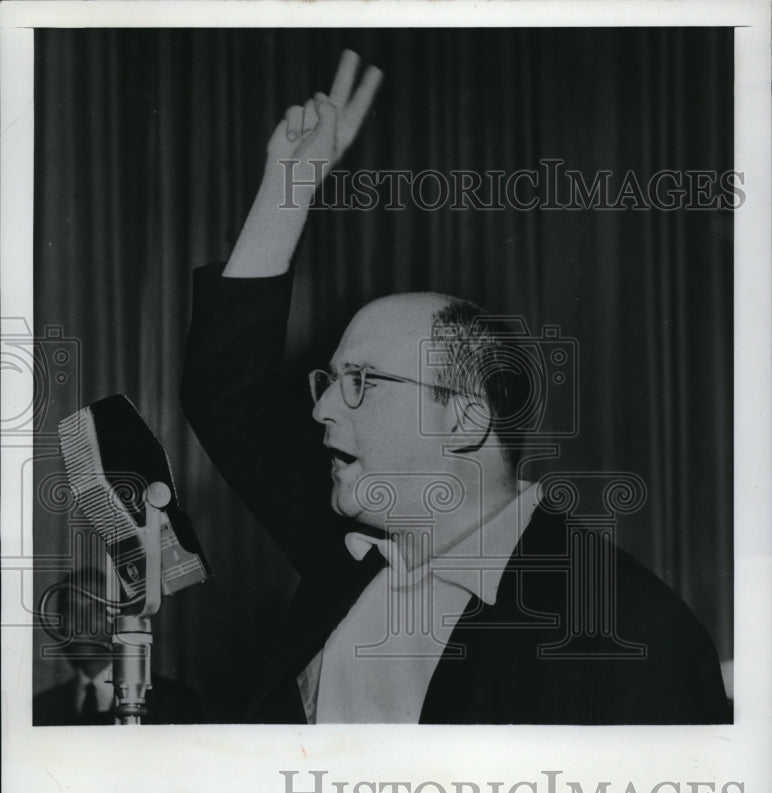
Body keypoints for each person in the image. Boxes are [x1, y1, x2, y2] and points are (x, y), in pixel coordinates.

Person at [181, 50, 731, 725]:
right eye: (330, 380)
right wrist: (287, 189)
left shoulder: (631, 632)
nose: (320, 407)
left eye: (360, 383)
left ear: (464, 421)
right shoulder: (351, 548)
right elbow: (227, 392)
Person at [34, 567, 202, 725]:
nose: (81, 623)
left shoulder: (177, 703)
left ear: (120, 620)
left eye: (96, 609)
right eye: (72, 609)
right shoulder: (40, 709)